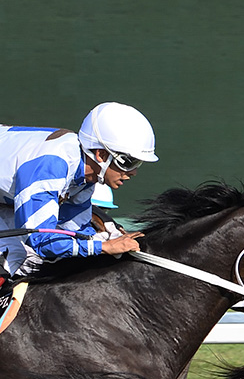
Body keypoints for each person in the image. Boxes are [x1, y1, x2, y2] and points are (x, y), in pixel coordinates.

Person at [0, 101, 156, 280]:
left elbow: (75, 230)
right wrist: (105, 247)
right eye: (128, 162)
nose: (133, 172)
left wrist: (109, 240)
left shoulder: (84, 175)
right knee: (13, 256)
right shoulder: (51, 166)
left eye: (138, 164)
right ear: (101, 155)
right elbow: (42, 241)